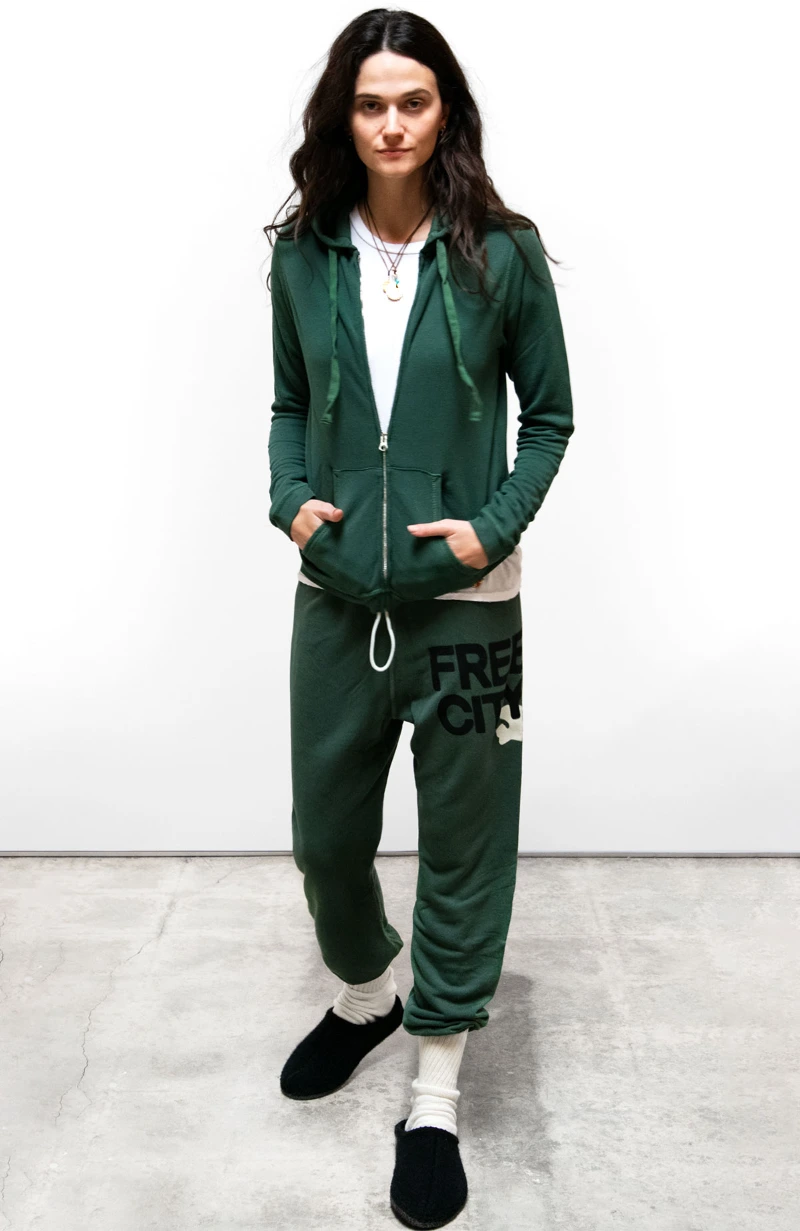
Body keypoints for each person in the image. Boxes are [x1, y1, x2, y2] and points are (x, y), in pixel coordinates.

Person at [264, 10, 574, 1228]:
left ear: (445, 113)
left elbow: (548, 417)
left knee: (462, 850)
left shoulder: (502, 252)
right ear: (341, 117)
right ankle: (363, 994)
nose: (390, 124)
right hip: (337, 598)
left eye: (412, 101)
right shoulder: (302, 254)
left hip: (467, 613)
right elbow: (288, 402)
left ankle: (434, 1087)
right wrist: (292, 501)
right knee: (324, 839)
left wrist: (490, 528)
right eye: (369, 103)